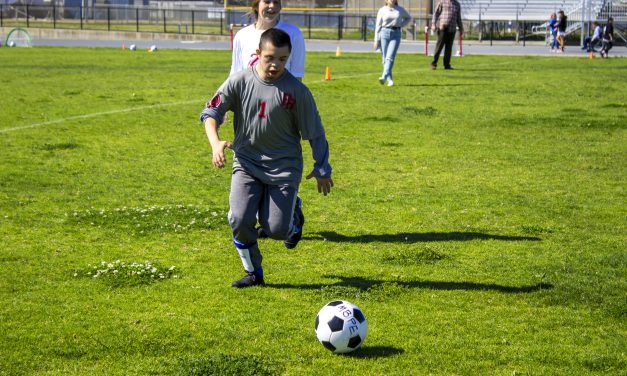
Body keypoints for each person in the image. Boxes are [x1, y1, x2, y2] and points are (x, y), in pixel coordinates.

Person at [200, 29, 333, 288]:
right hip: (247, 163)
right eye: (270, 58)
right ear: (258, 53)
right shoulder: (239, 82)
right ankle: (254, 273)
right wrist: (215, 142)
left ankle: (293, 214)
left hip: (284, 168)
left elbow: (315, 133)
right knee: (239, 219)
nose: (275, 65)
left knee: (276, 229)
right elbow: (210, 112)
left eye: (282, 60)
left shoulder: (297, 92)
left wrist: (322, 167)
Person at [230, 0, 305, 80]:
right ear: (256, 5)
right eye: (267, 1)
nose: (272, 6)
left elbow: (297, 76)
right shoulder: (242, 35)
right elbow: (235, 76)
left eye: (276, 2)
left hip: (282, 92)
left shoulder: (294, 33)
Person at [373, 0, 411, 87]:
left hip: (396, 34)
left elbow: (408, 18)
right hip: (384, 33)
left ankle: (384, 76)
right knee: (384, 58)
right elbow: (378, 25)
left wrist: (401, 24)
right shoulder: (382, 10)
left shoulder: (400, 9)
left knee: (390, 57)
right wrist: (376, 40)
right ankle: (390, 80)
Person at [430, 0, 463, 70]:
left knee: (449, 48)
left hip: (452, 29)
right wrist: (433, 24)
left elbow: (458, 18)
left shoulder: (457, 4)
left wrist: (461, 28)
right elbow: (436, 14)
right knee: (439, 47)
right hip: (443, 28)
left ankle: (447, 65)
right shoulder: (442, 2)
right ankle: (433, 63)